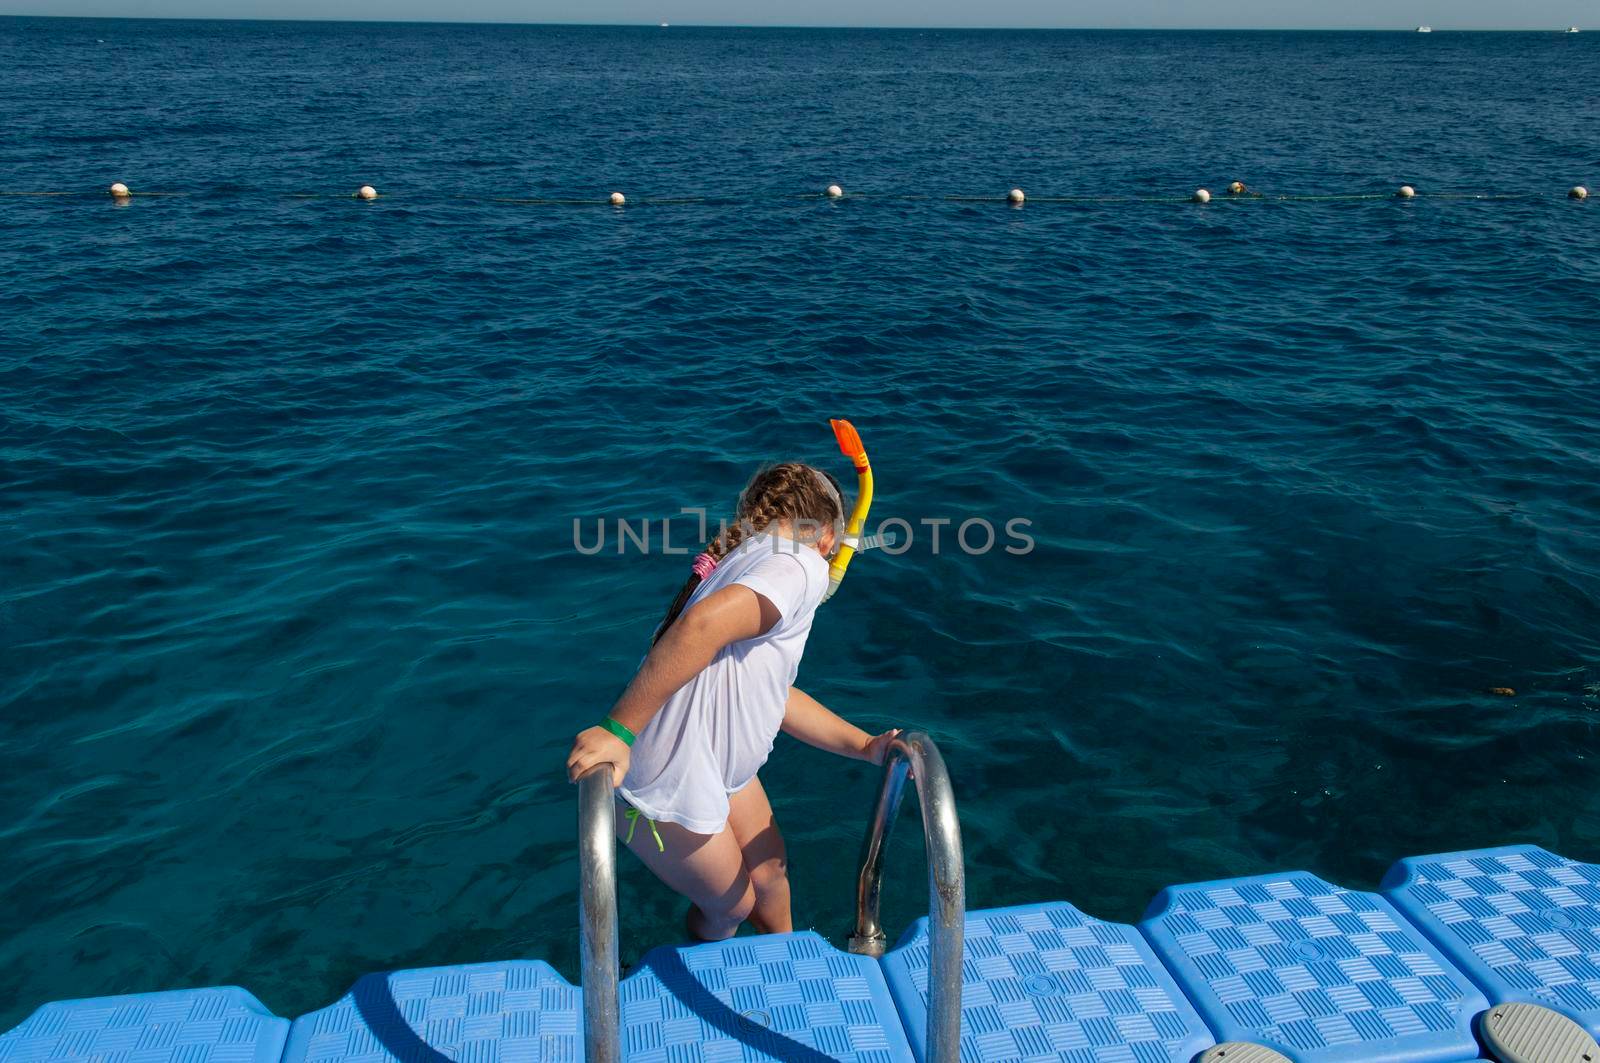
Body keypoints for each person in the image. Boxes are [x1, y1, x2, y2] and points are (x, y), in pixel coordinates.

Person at [566, 461, 898, 942]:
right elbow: (702, 626)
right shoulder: (799, 566)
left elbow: (772, 694)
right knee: (732, 906)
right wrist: (617, 731)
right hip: (663, 783)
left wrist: (864, 744)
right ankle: (707, 981)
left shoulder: (751, 558)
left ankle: (786, 962)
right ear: (827, 537)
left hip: (711, 761)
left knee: (770, 876)